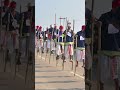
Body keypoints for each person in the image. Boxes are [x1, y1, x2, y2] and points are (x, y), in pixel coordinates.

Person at [98, 0, 120, 90]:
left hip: (117, 50)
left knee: (116, 74)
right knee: (103, 73)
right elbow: (97, 26)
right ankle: (101, 87)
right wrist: (98, 24)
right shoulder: (105, 16)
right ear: (114, 7)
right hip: (105, 49)